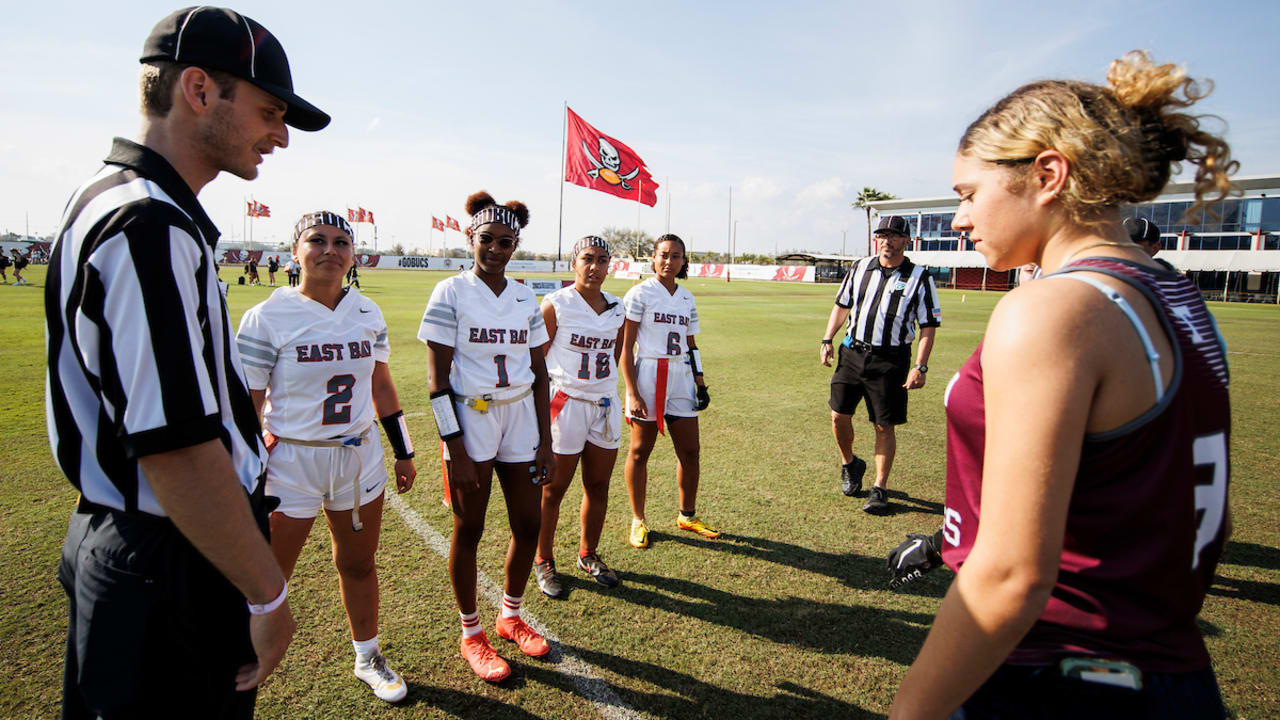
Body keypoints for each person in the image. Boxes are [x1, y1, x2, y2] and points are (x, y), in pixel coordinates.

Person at [888, 51, 1234, 719]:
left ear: (1047, 174)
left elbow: (1013, 576)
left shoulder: (1053, 310)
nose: (959, 220)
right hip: (1175, 678)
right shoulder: (1177, 298)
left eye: (968, 194)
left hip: (1061, 681)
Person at [46, 7, 329, 719]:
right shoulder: (148, 225)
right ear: (200, 89)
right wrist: (268, 592)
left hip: (137, 546)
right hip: (166, 560)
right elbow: (174, 447)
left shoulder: (116, 200)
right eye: (269, 110)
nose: (281, 135)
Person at [236, 211, 417, 702]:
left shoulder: (367, 312)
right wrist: (246, 475)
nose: (330, 250)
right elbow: (247, 409)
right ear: (295, 250)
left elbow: (380, 384)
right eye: (317, 240)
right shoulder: (266, 317)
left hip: (358, 458)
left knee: (358, 563)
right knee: (267, 577)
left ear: (353, 255)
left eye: (342, 242)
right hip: (290, 461)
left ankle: (367, 654)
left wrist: (403, 451)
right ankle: (235, 656)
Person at [418, 191, 554, 682]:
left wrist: (545, 441)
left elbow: (540, 374)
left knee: (528, 523)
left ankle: (511, 616)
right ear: (469, 238)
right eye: (487, 239)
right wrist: (454, 446)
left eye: (506, 241)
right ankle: (471, 633)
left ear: (516, 244)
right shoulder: (449, 292)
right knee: (469, 528)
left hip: (520, 417)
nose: (496, 248)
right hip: (470, 417)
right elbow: (436, 382)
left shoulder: (523, 295)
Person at [819, 215, 941, 515]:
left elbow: (927, 325)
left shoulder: (919, 277)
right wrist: (827, 339)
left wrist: (921, 366)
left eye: (894, 235)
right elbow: (842, 306)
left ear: (906, 240)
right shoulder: (860, 268)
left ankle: (880, 487)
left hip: (890, 360)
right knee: (838, 415)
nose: (887, 240)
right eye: (882, 234)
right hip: (852, 353)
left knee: (884, 425)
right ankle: (850, 463)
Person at [534, 236, 626, 597]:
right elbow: (538, 361)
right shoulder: (557, 304)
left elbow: (615, 356)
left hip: (603, 405)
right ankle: (543, 559)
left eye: (602, 260)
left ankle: (588, 553)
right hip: (566, 404)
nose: (595, 266)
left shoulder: (617, 308)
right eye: (587, 258)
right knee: (554, 489)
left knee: (598, 486)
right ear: (574, 262)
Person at [620, 233, 717, 549]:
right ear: (653, 257)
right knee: (639, 450)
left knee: (690, 451)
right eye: (663, 254)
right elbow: (626, 348)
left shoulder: (687, 298)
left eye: (676, 256)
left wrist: (700, 381)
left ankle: (687, 514)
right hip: (648, 373)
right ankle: (638, 519)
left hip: (680, 377)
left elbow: (691, 344)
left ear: (683, 261)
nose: (669, 261)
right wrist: (632, 391)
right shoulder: (639, 294)